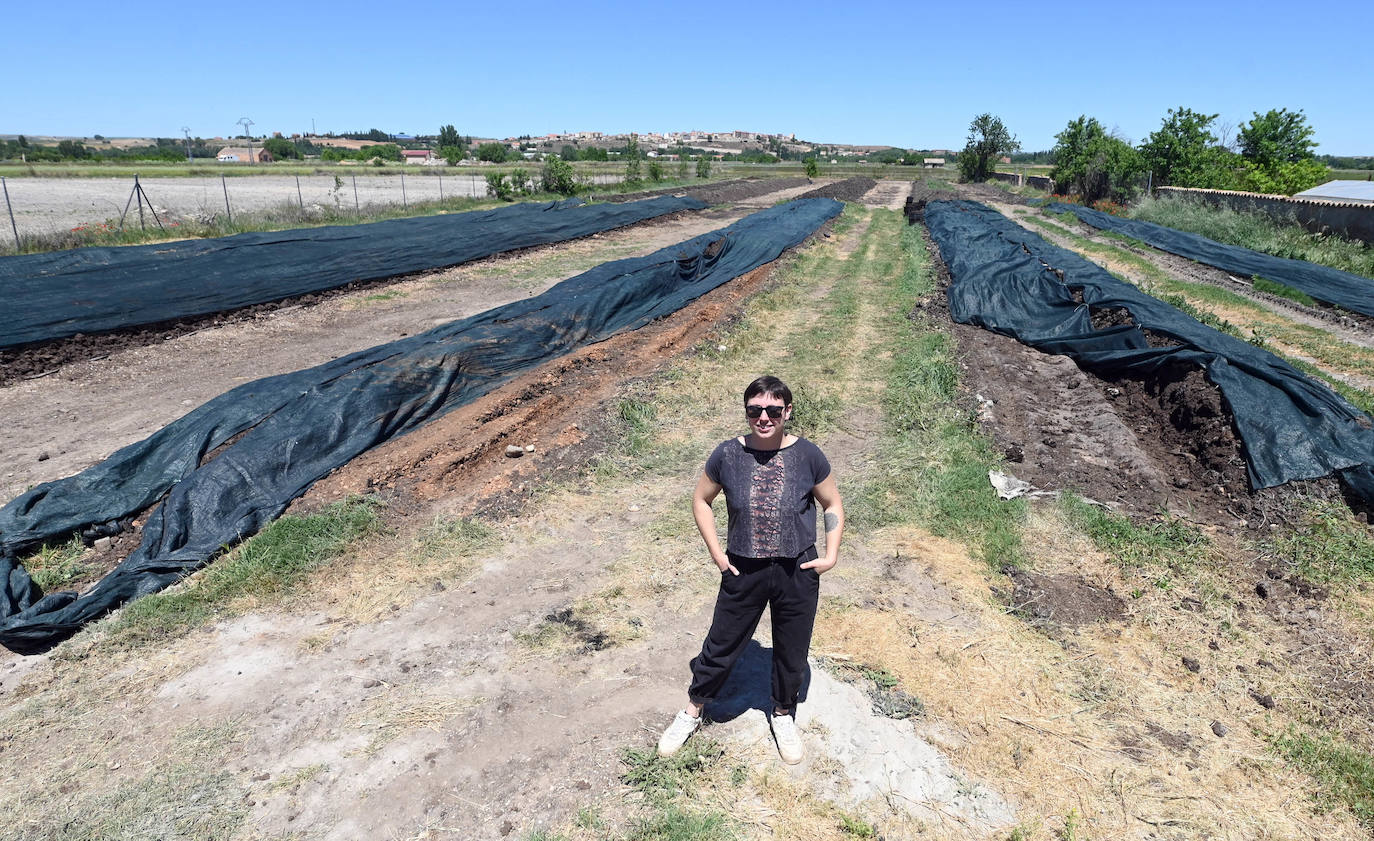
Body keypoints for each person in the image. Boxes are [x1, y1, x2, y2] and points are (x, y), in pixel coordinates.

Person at [657, 375, 844, 764]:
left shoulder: (809, 456)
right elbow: (701, 501)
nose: (764, 417)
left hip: (797, 569)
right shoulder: (727, 454)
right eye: (755, 410)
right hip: (743, 568)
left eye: (773, 410)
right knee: (721, 643)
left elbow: (832, 505)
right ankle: (693, 711)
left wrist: (830, 555)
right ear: (746, 412)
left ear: (787, 412)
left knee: (792, 649)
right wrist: (716, 553)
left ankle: (782, 713)